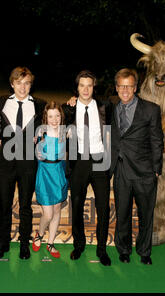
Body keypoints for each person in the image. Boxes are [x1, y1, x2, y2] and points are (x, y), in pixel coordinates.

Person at [110, 68, 164, 265]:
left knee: (145, 214)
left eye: (129, 86)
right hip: (121, 169)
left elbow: (157, 140)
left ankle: (144, 252)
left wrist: (157, 168)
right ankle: (123, 250)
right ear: (117, 88)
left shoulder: (151, 109)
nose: (125, 90)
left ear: (135, 87)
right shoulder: (111, 108)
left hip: (144, 171)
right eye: (121, 86)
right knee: (122, 213)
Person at [0, 67, 46, 260]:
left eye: (27, 83)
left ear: (31, 85)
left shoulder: (40, 105)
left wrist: (40, 135)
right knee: (5, 204)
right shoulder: (0, 102)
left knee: (25, 205)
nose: (22, 87)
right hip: (6, 162)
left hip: (28, 163)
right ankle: (3, 244)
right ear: (12, 84)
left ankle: (24, 244)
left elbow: (50, 124)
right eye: (19, 83)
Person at [63, 70, 113, 266]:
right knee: (76, 204)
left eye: (89, 85)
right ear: (76, 88)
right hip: (79, 161)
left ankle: (102, 249)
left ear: (94, 87)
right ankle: (79, 245)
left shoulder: (105, 107)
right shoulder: (68, 109)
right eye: (81, 85)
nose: (85, 89)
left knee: (103, 207)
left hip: (100, 159)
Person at [32, 101, 68, 258]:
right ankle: (39, 234)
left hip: (59, 174)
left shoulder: (65, 132)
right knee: (48, 214)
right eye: (51, 116)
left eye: (57, 116)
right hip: (45, 175)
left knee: (57, 209)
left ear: (61, 116)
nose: (54, 120)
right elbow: (36, 155)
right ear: (45, 118)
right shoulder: (40, 133)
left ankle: (51, 243)